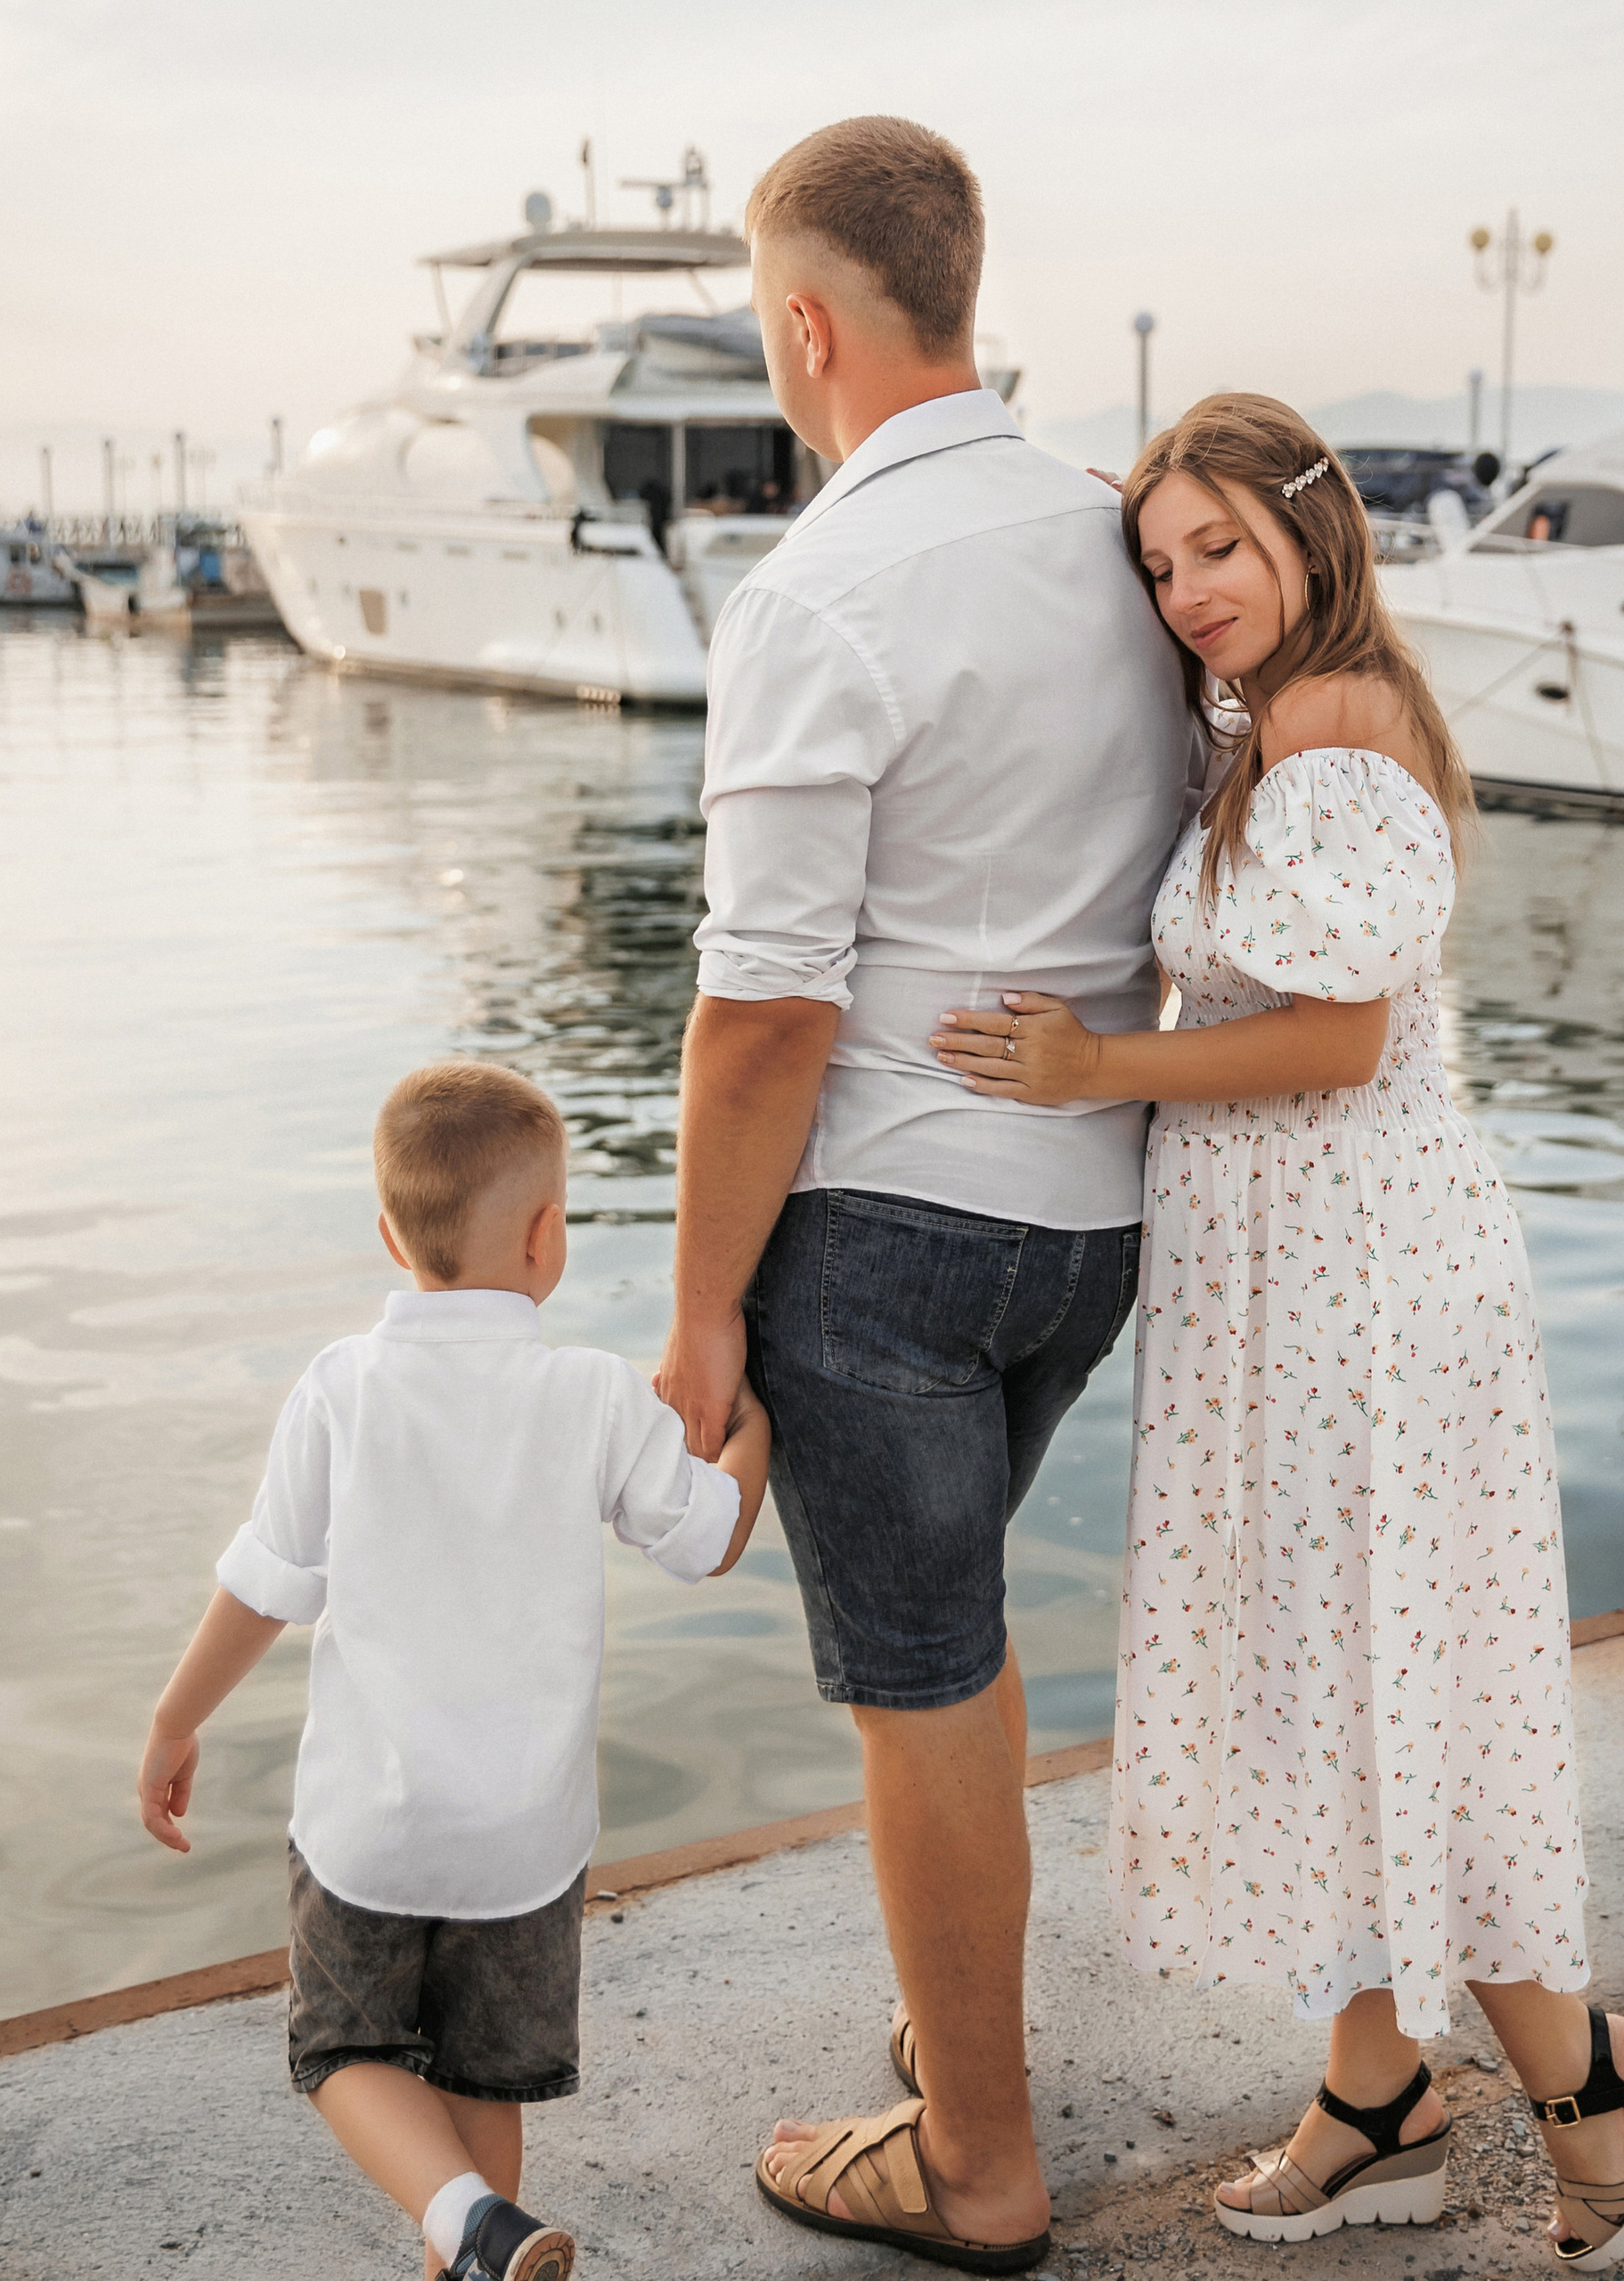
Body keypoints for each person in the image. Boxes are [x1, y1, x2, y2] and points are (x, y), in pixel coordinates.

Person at [932, 395, 1624, 2271]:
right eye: (1156, 564)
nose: (1186, 591)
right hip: (1295, 1278)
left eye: (1213, 546)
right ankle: (1379, 2094)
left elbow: (1342, 1034)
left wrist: (1091, 1064)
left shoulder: (1335, 718)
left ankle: (1593, 2068)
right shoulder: (1263, 722)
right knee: (1340, 1678)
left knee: (1380, 1681)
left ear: (1307, 526)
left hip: (1360, 1284)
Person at [657, 116, 1198, 2274]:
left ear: (805, 324)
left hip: (885, 1225)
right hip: (1089, 1218)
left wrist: (700, 1307)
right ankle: (954, 2025)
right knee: (957, 1658)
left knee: (922, 1677)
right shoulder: (1111, 533)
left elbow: (764, 1014)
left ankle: (974, 2155)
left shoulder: (820, 591)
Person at [135, 1061, 769, 2281]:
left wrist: (174, 1721)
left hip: (370, 1828)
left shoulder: (341, 1388)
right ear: (548, 1239)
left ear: (389, 1238)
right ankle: (479, 2237)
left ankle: (470, 2227)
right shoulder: (589, 1394)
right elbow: (705, 1538)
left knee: (341, 2054)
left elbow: (261, 1585)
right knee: (485, 2080)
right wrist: (757, 1435)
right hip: (525, 1840)